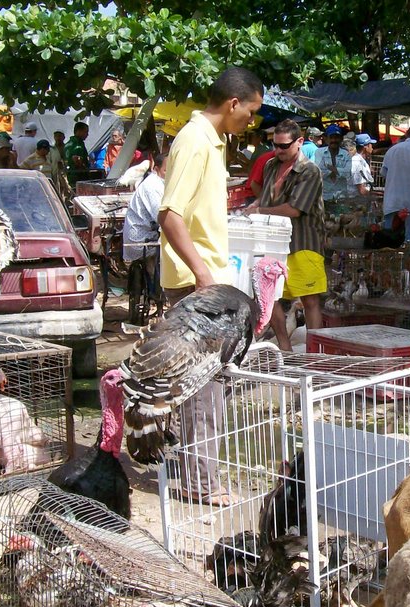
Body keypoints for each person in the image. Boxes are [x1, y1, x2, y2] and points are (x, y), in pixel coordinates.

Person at [157, 66, 264, 507]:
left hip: (204, 281)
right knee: (206, 385)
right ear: (233, 103)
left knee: (204, 384)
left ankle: (194, 474)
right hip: (194, 287)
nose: (252, 121)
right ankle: (201, 482)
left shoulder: (211, 142)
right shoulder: (196, 141)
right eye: (252, 112)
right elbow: (169, 214)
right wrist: (203, 274)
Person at [247, 118, 326, 350]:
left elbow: (294, 209)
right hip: (273, 243)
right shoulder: (271, 165)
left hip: (304, 242)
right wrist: (256, 205)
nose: (278, 150)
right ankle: (284, 348)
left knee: (310, 300)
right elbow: (266, 195)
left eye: (284, 146)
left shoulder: (310, 171)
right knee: (269, 298)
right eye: (275, 145)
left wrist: (260, 210)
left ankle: (315, 354)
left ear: (299, 142)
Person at [123, 151, 168, 323]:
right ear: (156, 169)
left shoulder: (160, 184)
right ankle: (160, 293)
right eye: (166, 170)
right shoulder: (152, 186)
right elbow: (161, 216)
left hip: (149, 234)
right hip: (140, 240)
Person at [314, 124, 352, 202]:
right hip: (324, 197)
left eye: (337, 137)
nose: (334, 140)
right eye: (331, 137)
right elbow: (318, 172)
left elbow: (348, 173)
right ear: (326, 139)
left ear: (341, 139)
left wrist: (332, 169)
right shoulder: (319, 152)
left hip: (342, 197)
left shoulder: (346, 154)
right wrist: (338, 171)